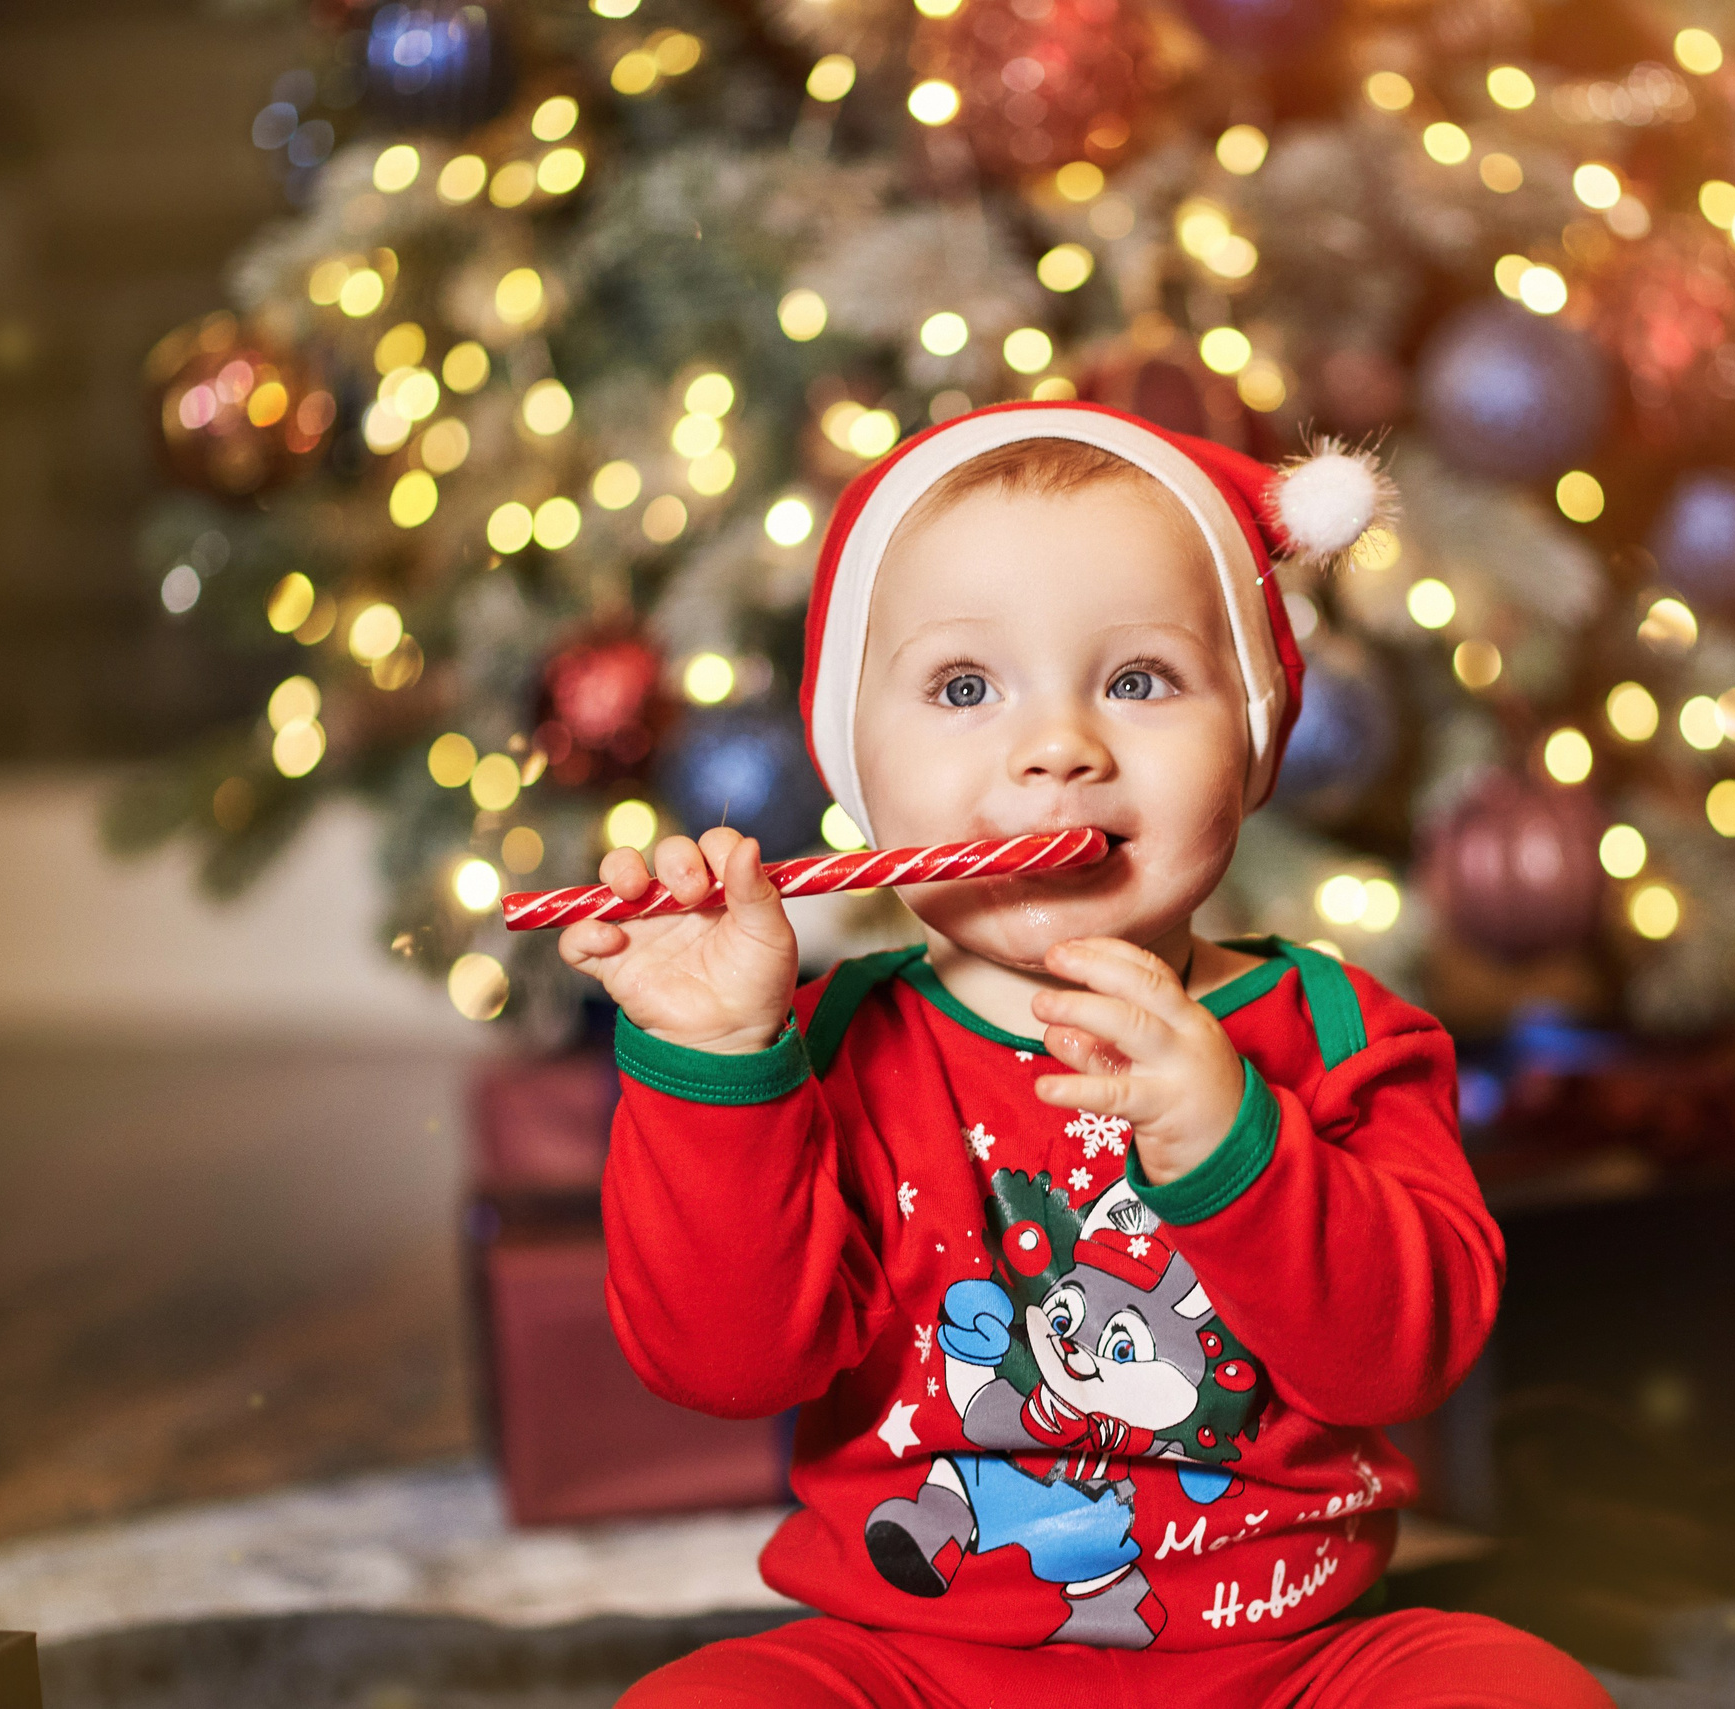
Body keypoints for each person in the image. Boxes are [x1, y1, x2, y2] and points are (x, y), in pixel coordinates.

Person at [557, 400, 1613, 1709]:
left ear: (1254, 738)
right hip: (911, 1669)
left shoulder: (1342, 1033)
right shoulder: (826, 1043)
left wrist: (1239, 1145)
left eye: (1138, 680)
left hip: (1290, 1666)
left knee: (1519, 1690)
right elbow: (725, 1368)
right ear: (856, 767)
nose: (1059, 746)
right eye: (962, 687)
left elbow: (1406, 1355)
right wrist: (715, 1062)